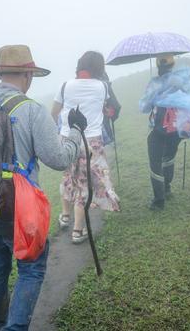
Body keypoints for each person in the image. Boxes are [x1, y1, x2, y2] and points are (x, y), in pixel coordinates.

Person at [0, 45, 86, 330]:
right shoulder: (33, 111)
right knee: (31, 266)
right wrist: (75, 131)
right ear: (27, 75)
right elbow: (59, 159)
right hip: (17, 208)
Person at [51, 51, 120, 243]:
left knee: (68, 177)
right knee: (84, 184)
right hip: (91, 141)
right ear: (100, 68)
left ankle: (65, 216)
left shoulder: (65, 86)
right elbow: (105, 109)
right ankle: (78, 231)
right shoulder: (102, 86)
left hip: (67, 139)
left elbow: (54, 113)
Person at [139, 55, 190, 210]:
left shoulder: (154, 83)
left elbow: (144, 108)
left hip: (157, 129)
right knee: (168, 157)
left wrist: (152, 94)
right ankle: (167, 188)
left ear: (157, 66)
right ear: (173, 65)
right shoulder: (183, 81)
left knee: (155, 163)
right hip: (176, 128)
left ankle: (158, 200)